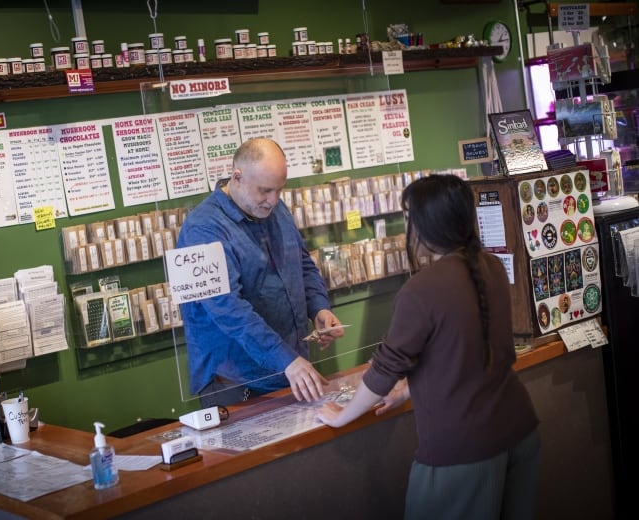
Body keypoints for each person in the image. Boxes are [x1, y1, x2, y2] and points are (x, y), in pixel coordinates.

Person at [316, 174, 540, 520]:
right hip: (519, 430)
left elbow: (384, 371)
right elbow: (464, 352)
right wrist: (408, 391)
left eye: (409, 217)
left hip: (464, 451)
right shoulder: (491, 266)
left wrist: (341, 415)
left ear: (424, 224)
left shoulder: (421, 289)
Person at [177, 137, 344, 407]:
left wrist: (319, 309)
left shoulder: (275, 208)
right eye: (265, 190)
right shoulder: (201, 229)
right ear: (237, 177)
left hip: (287, 370)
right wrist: (284, 358)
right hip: (236, 381)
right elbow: (227, 308)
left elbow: (300, 262)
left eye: (279, 190)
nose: (273, 200)